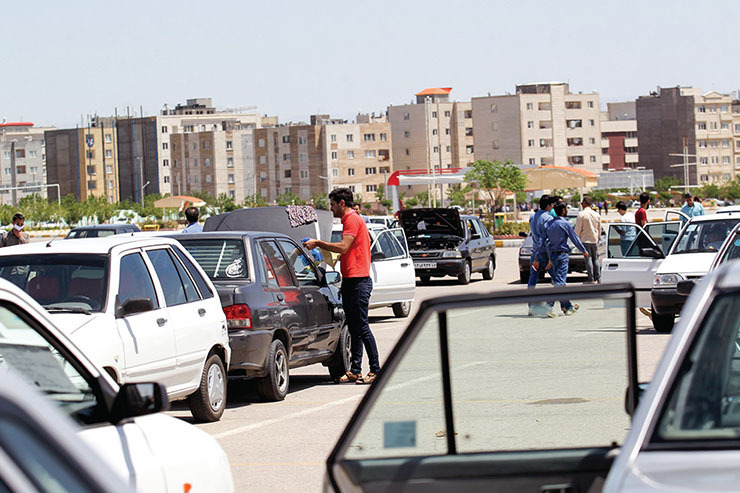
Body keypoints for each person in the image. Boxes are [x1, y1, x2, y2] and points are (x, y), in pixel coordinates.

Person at [304, 188, 379, 384]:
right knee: (354, 327)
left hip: (359, 281)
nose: (331, 209)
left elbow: (344, 246)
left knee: (362, 326)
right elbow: (350, 248)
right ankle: (355, 369)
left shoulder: (352, 219)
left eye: (333, 204)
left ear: (342, 203)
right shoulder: (351, 220)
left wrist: (319, 243)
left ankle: (376, 369)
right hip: (351, 279)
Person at [532, 202, 589, 317]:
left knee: (559, 282)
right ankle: (548, 306)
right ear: (563, 210)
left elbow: (541, 242)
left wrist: (537, 256)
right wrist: (583, 250)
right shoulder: (564, 224)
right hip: (562, 256)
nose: (567, 210)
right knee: (560, 282)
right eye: (566, 208)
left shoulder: (549, 224)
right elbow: (575, 239)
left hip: (552, 256)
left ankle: (567, 307)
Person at [575, 196, 602, 284]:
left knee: (588, 259)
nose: (582, 205)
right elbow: (599, 228)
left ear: (585, 203)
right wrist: (598, 238)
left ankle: (590, 278)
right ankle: (598, 278)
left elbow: (578, 229)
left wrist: (576, 239)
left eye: (582, 203)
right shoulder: (596, 214)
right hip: (594, 239)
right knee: (596, 259)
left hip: (585, 240)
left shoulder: (581, 214)